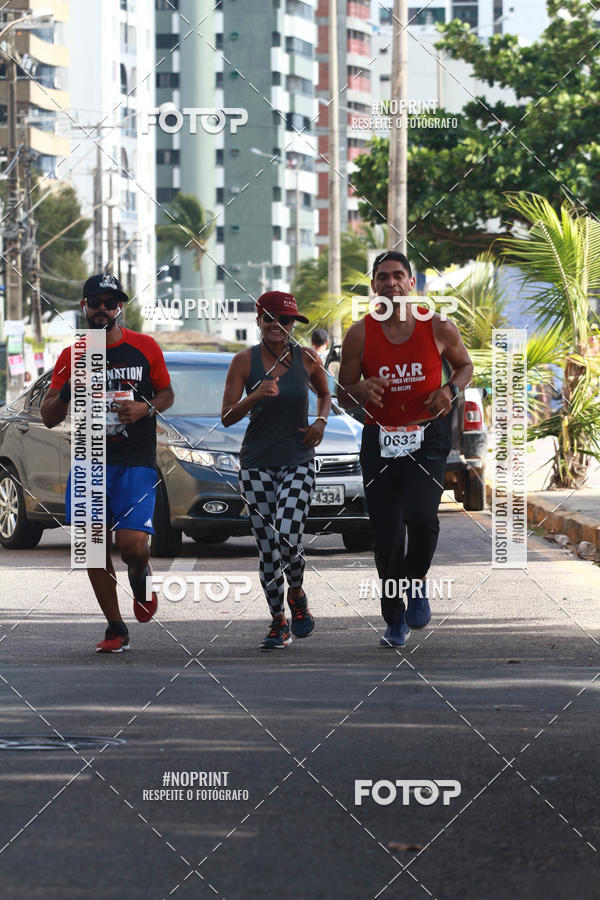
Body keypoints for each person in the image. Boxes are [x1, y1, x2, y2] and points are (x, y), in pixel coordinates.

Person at [338, 251, 473, 647]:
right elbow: (344, 393)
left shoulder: (437, 326)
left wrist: (450, 389)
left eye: (398, 275)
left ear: (411, 283)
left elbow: (464, 366)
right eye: (383, 277)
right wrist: (357, 390)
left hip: (427, 435)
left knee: (421, 516)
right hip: (379, 438)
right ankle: (393, 618)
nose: (391, 282)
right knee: (386, 532)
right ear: (374, 286)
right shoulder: (359, 334)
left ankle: (416, 584)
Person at [41, 273, 174, 653]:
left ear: (120, 308)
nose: (103, 308)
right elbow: (49, 416)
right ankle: (116, 627)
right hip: (88, 460)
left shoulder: (145, 347)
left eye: (110, 302)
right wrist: (67, 389)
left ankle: (141, 578)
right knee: (93, 548)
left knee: (132, 546)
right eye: (95, 301)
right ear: (84, 307)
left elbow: (167, 393)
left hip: (135, 460)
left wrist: (144, 407)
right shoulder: (72, 355)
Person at [221, 290, 331, 650]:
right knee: (268, 548)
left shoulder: (308, 358)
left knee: (286, 534)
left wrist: (320, 421)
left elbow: (325, 394)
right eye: (271, 319)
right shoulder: (243, 361)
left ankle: (296, 593)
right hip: (256, 464)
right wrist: (254, 396)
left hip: (297, 460)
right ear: (258, 320)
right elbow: (226, 417)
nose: (278, 326)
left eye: (286, 321)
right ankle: (277, 621)